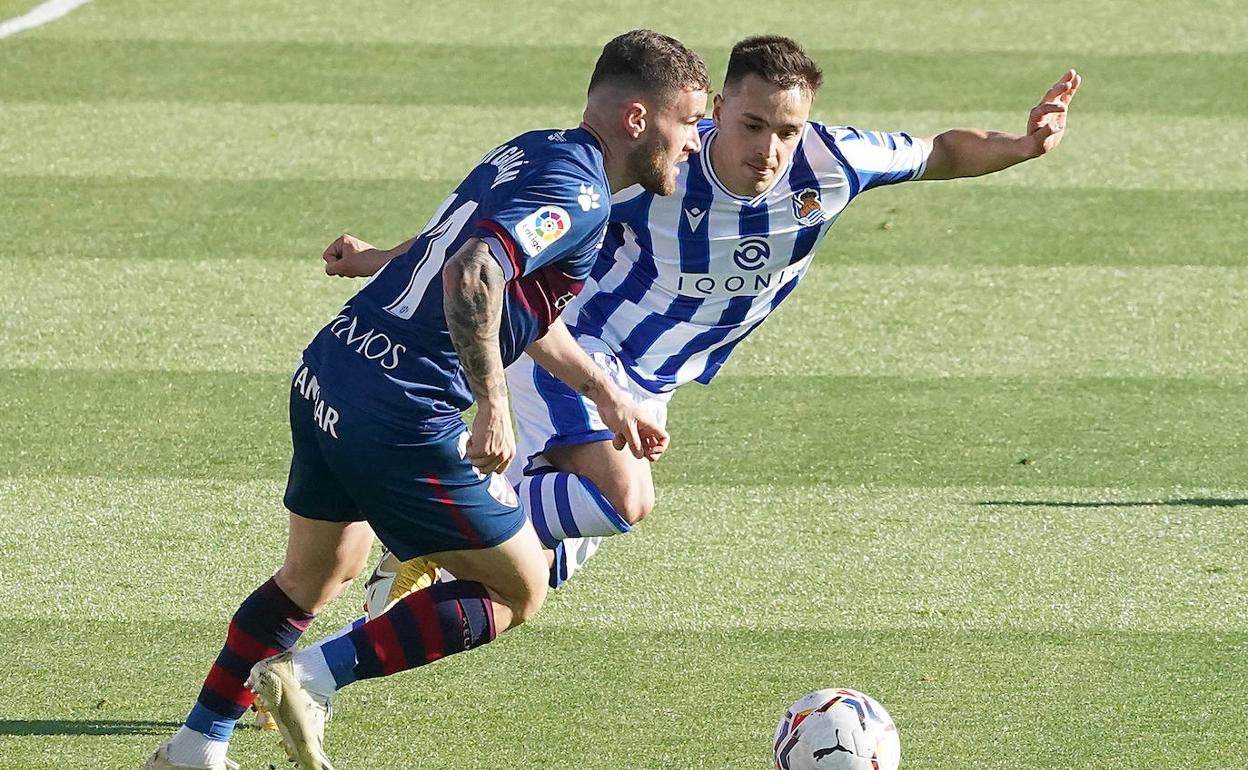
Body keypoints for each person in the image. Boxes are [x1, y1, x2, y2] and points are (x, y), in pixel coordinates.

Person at [142, 29, 709, 770]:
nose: (696, 142)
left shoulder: (536, 148)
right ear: (639, 118)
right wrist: (494, 403)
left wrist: (605, 393)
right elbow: (474, 273)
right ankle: (309, 678)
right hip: (398, 409)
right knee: (518, 587)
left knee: (316, 575)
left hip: (331, 368)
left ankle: (196, 745)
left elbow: (486, 276)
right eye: (690, 122)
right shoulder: (580, 194)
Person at [344, 35, 1081, 599]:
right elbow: (501, 231)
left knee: (527, 580)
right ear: (720, 108)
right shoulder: (656, 170)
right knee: (623, 498)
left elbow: (944, 150)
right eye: (753, 124)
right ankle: (428, 528)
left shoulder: (836, 164)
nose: (769, 149)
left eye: (788, 131)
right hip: (580, 349)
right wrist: (386, 255)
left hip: (652, 382)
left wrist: (1024, 146)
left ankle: (336, 654)